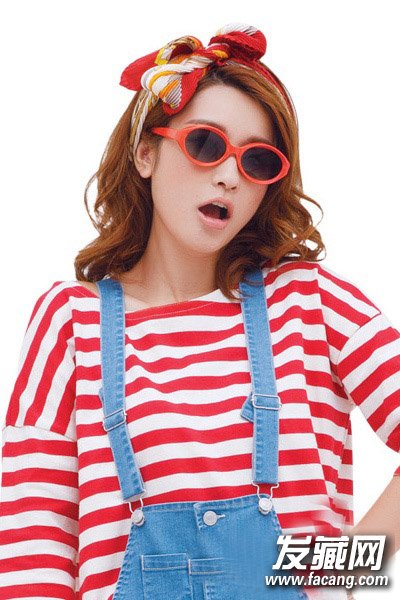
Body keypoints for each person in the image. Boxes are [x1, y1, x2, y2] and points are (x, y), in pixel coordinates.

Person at [0, 22, 399, 600]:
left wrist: (337, 578)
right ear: (146, 153)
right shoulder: (70, 322)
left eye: (257, 161)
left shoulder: (310, 304)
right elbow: (31, 546)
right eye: (206, 144)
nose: (230, 174)